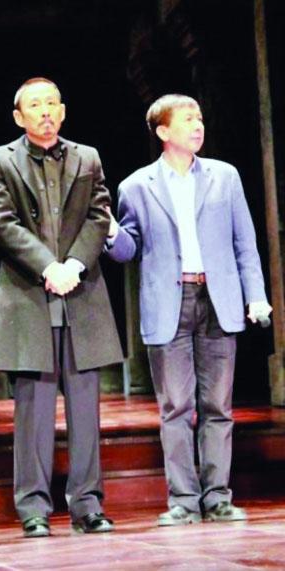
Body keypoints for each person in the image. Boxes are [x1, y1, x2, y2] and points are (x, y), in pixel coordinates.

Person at [106, 94, 272, 526]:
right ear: (163, 131)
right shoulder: (136, 186)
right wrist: (109, 230)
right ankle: (183, 499)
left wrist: (255, 295)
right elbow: (127, 250)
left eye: (199, 118)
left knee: (217, 405)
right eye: (187, 120)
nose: (198, 126)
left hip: (218, 299)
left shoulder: (225, 176)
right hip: (169, 303)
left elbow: (244, 242)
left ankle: (217, 498)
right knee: (176, 406)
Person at [0, 77, 123, 538]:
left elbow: (100, 215)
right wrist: (49, 267)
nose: (45, 112)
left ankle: (87, 504)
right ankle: (34, 507)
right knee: (33, 413)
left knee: (86, 410)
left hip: (82, 295)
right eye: (35, 105)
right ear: (18, 116)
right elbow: (4, 223)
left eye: (51, 104)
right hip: (29, 295)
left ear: (62, 111)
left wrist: (75, 265)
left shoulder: (88, 157)